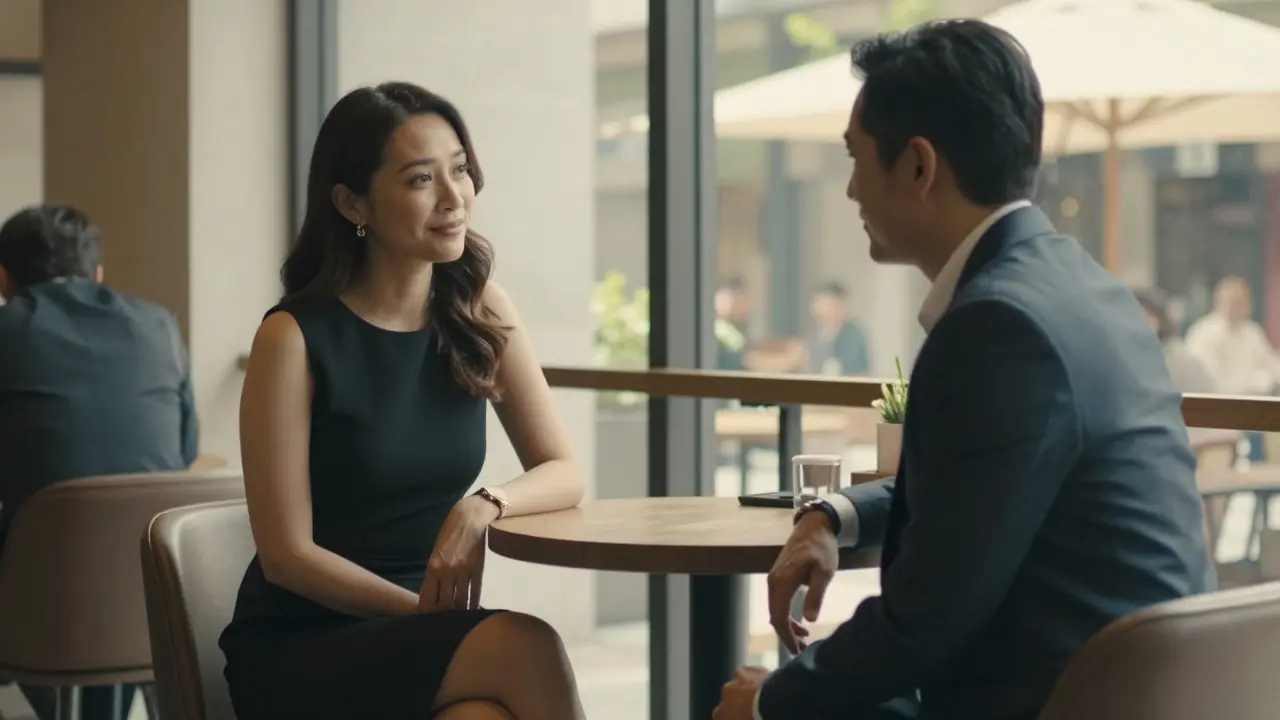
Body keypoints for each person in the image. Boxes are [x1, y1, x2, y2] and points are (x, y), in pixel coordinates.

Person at [715, 21, 1213, 720]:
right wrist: (836, 513)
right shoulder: (1081, 286)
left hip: (1050, 699)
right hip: (1142, 690)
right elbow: (980, 486)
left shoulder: (998, 326)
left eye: (856, 158)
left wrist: (769, 701)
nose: (851, 190)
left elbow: (924, 623)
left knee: (747, 702)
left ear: (918, 166)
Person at [218, 82, 587, 720]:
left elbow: (565, 471)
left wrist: (482, 506)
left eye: (460, 171)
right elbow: (287, 558)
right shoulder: (292, 338)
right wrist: (424, 615)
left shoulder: (478, 308)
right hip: (301, 645)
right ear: (352, 202)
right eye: (421, 179)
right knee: (529, 646)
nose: (454, 198)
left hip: (421, 634)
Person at [0, 204, 199, 720]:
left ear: (3, 278)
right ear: (99, 274)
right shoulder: (160, 326)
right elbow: (185, 452)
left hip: (41, 605)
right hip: (158, 602)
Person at [1134, 287, 1216, 394]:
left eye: (1147, 317)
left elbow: (1204, 394)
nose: (1140, 324)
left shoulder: (1178, 357)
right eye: (1135, 317)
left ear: (1159, 320)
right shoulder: (1120, 356)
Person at [806, 281, 870, 376]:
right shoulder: (813, 336)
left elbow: (857, 370)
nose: (827, 310)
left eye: (833, 304)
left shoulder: (854, 334)